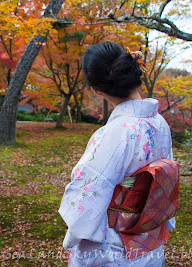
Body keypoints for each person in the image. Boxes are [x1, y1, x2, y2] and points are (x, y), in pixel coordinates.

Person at [58, 42, 178, 266]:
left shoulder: (116, 132)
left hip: (115, 248)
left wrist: (75, 235)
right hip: (150, 239)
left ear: (97, 90)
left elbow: (88, 193)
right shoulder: (160, 122)